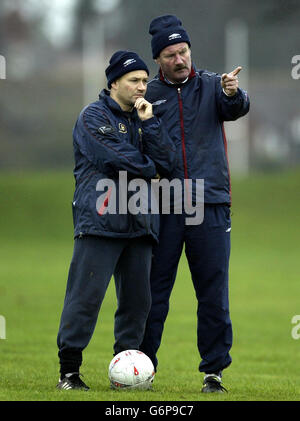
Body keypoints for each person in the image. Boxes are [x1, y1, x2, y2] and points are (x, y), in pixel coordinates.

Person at [139, 15, 250, 393]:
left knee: (213, 291)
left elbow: (235, 108)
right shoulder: (148, 95)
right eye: (170, 54)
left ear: (190, 50)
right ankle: (142, 367)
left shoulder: (214, 86)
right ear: (158, 59)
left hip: (210, 203)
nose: (179, 59)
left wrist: (235, 93)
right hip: (164, 206)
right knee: (153, 291)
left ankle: (213, 373)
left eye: (183, 51)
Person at [56, 50, 176, 390]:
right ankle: (69, 372)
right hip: (100, 222)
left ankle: (128, 375)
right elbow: (114, 158)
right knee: (85, 298)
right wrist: (151, 169)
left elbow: (169, 161)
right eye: (134, 81)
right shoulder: (92, 116)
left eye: (144, 80)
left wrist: (151, 124)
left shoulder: (147, 118)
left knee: (138, 305)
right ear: (113, 83)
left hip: (141, 225)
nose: (142, 87)